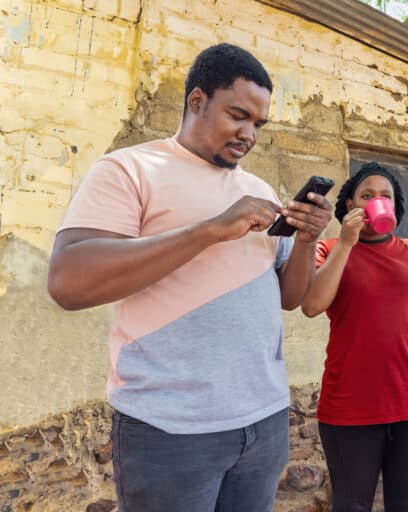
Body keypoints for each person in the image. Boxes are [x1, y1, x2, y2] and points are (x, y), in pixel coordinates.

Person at [47, 43, 332, 512]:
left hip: (262, 423)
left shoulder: (258, 190)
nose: (249, 135)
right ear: (196, 100)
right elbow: (67, 282)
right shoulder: (130, 169)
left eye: (258, 124)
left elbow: (290, 297)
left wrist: (304, 240)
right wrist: (210, 231)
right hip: (168, 431)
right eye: (237, 115)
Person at [301, 162, 408, 511]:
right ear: (351, 205)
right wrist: (347, 243)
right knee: (351, 505)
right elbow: (312, 304)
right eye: (367, 195)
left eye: (385, 196)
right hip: (349, 406)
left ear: (393, 206)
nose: (377, 200)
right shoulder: (329, 250)